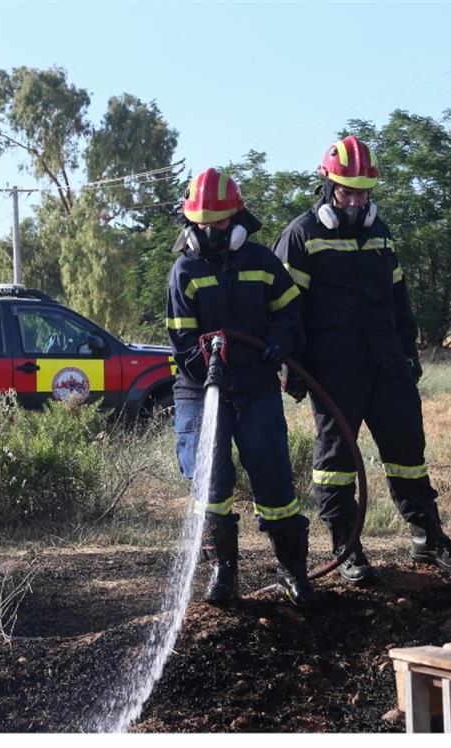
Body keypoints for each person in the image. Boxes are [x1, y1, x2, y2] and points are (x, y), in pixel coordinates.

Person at [272, 135, 451, 583]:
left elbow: (399, 299)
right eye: (349, 191)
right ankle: (347, 548)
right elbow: (284, 310)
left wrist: (409, 351)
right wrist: (291, 366)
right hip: (333, 371)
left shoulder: (380, 234)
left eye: (364, 191)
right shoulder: (301, 235)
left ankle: (428, 538)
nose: (357, 199)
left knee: (408, 454)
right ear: (328, 186)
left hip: (387, 365)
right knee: (335, 465)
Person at [166, 167, 315, 608]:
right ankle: (223, 572)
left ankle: (292, 571)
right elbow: (181, 341)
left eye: (220, 222)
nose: (211, 230)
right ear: (191, 223)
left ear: (238, 218)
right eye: (203, 223)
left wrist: (279, 344)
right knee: (210, 479)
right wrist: (206, 364)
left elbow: (290, 313)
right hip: (200, 390)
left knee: (274, 481)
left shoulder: (262, 263)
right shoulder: (184, 271)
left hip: (255, 386)